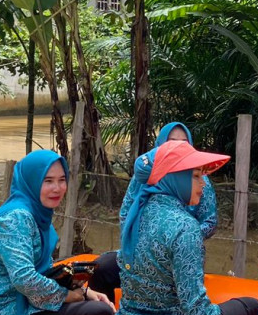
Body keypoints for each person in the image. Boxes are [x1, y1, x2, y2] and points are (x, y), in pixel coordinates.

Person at [111, 139, 258, 315]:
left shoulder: (136, 214)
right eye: (196, 176)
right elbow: (193, 302)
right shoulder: (185, 227)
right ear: (175, 178)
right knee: (255, 310)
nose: (203, 184)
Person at [0, 150, 114, 315]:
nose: (57, 188)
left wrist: (84, 291)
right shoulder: (15, 218)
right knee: (100, 314)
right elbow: (24, 278)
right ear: (32, 182)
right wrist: (67, 296)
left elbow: (43, 270)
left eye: (62, 180)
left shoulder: (37, 213)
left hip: (24, 307)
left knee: (97, 300)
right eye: (48, 181)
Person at [90, 122, 217, 298]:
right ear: (160, 145)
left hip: (181, 255)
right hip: (140, 251)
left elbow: (210, 222)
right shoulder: (144, 176)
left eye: (184, 142)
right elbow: (127, 213)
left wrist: (178, 240)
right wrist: (143, 241)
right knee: (101, 268)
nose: (178, 147)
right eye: (171, 142)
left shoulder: (200, 181)